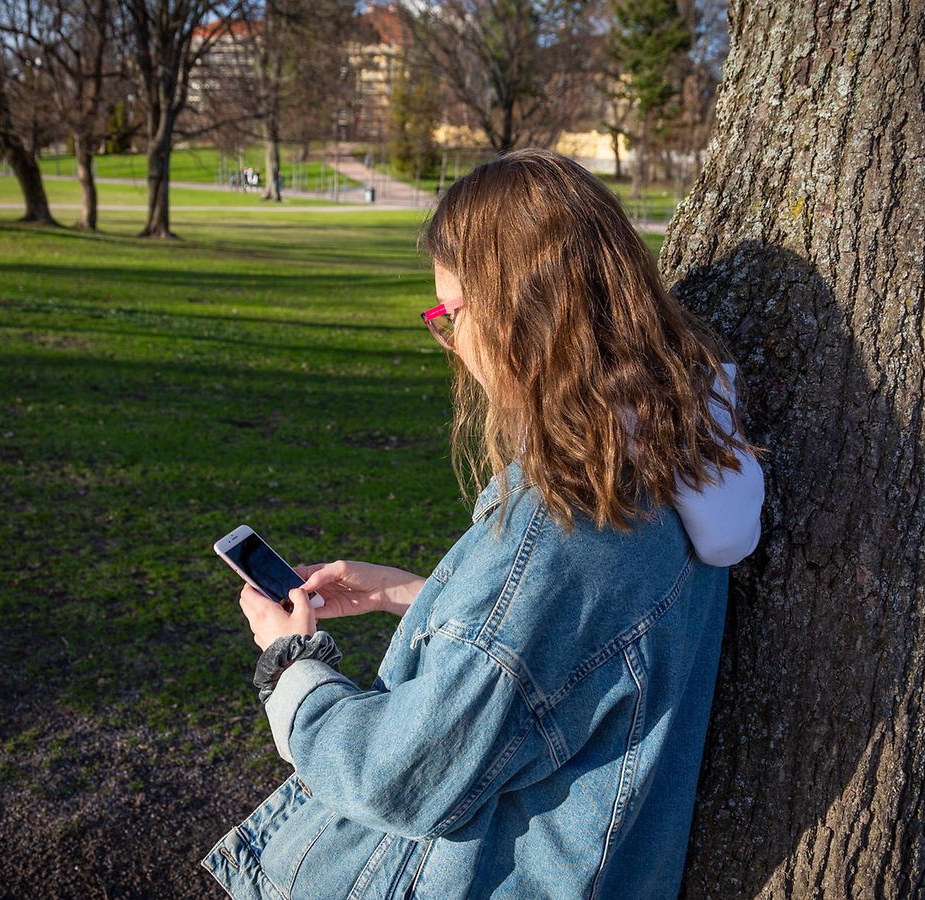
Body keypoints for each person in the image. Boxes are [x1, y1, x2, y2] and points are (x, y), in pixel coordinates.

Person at [203, 148, 765, 899]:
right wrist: (414, 594)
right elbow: (564, 657)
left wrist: (289, 665)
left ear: (514, 315)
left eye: (447, 314)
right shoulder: (676, 462)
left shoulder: (569, 524)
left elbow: (397, 780)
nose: (448, 341)